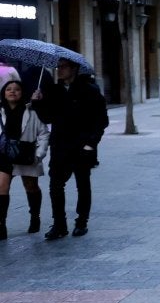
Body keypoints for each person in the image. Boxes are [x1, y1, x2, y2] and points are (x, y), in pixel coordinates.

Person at [32, 57, 108, 240]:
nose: (59, 70)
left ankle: (82, 221)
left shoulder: (89, 90)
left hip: (82, 147)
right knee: (55, 185)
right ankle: (59, 224)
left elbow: (101, 120)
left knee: (83, 184)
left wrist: (91, 143)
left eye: (63, 67)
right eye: (58, 67)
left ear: (74, 68)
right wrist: (37, 103)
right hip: (60, 146)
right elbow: (48, 118)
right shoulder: (54, 90)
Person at [0, 79, 49, 237]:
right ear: (4, 93)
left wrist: (39, 154)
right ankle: (1, 224)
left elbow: (43, 134)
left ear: (22, 93)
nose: (12, 91)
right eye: (8, 89)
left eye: (17, 89)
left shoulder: (32, 112)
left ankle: (35, 217)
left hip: (26, 155)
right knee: (1, 187)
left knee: (31, 187)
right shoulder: (0, 111)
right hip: (3, 156)